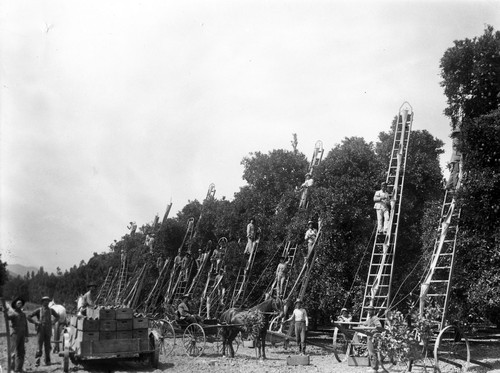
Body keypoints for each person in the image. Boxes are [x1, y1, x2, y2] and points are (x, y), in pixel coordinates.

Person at [28, 296, 59, 367]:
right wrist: (35, 322)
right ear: (42, 302)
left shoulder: (51, 310)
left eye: (48, 301)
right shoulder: (38, 310)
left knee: (47, 346)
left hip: (48, 330)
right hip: (40, 329)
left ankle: (47, 361)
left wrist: (53, 322)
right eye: (45, 301)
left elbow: (57, 316)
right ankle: (37, 361)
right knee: (39, 345)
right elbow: (29, 316)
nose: (47, 302)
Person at [7, 296, 29, 373]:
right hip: (15, 335)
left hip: (22, 335)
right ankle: (12, 368)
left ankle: (19, 368)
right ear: (15, 305)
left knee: (21, 352)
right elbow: (7, 318)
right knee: (13, 352)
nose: (19, 304)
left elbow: (25, 325)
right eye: (18, 303)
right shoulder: (13, 314)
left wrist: (26, 336)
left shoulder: (23, 314)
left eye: (20, 303)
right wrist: (5, 311)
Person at [364, 306, 383, 373]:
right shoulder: (370, 318)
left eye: (370, 310)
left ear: (373, 311)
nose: (369, 311)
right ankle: (374, 367)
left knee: (372, 353)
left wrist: (373, 330)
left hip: (372, 337)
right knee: (370, 352)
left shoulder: (375, 318)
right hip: (369, 337)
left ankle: (375, 368)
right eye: (368, 310)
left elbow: (379, 326)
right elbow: (365, 324)